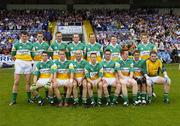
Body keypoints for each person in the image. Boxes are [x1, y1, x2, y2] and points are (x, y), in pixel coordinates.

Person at [9, 31, 34, 105]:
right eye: (23, 36)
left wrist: (28, 60)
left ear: (28, 37)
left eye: (26, 36)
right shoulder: (16, 44)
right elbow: (13, 55)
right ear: (20, 36)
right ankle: (13, 100)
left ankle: (29, 99)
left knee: (28, 82)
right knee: (16, 82)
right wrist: (18, 61)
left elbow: (33, 55)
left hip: (28, 64)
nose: (24, 37)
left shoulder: (31, 45)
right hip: (19, 63)